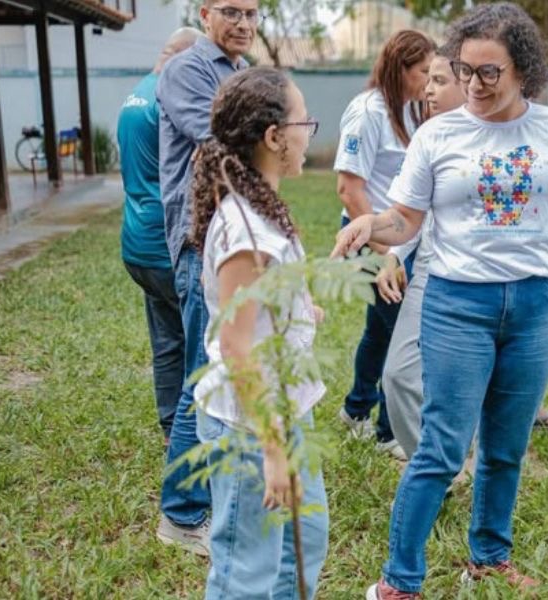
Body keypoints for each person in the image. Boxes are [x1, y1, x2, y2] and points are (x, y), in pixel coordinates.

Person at [332, 4, 548, 596]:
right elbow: (405, 219)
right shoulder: (438, 134)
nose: (474, 85)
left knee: (506, 445)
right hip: (457, 305)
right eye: (464, 70)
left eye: (490, 73)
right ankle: (397, 582)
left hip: (535, 306)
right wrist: (369, 227)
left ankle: (488, 556)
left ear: (523, 71)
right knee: (441, 446)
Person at [381, 49, 548, 462]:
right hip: (438, 272)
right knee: (398, 374)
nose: (428, 90)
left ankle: (480, 448)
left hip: (509, 287)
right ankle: (439, 461)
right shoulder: (432, 135)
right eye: (430, 80)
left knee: (500, 387)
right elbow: (408, 214)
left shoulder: (541, 129)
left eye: (439, 80)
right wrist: (394, 253)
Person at [189, 66, 328, 600]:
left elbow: (265, 297)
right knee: (246, 569)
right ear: (274, 137)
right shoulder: (245, 227)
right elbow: (235, 345)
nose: (307, 133)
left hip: (288, 407)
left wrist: (300, 305)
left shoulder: (263, 205)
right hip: (251, 424)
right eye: (304, 122)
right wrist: (272, 449)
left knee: (303, 539)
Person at [156, 0, 257, 555]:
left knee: (221, 370)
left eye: (252, 12)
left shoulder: (237, 72)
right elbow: (224, 144)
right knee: (203, 379)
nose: (243, 22)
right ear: (204, 12)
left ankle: (208, 494)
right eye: (231, 11)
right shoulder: (188, 70)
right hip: (201, 241)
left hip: (233, 240)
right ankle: (181, 513)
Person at [333, 30, 435, 461]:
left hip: (399, 240)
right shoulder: (368, 112)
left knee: (381, 329)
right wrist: (384, 256)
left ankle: (356, 409)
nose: (429, 81)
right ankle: (388, 431)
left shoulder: (412, 110)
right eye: (424, 72)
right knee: (402, 336)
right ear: (401, 69)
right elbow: (349, 189)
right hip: (370, 239)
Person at [118, 27, 203, 444]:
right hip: (167, 243)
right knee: (200, 344)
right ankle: (193, 432)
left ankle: (171, 426)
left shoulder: (135, 94)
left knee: (166, 340)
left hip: (135, 241)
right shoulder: (171, 97)